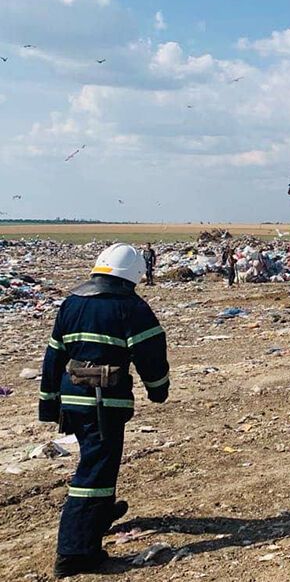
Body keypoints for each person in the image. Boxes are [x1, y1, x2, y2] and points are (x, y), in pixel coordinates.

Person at [38, 243, 170, 578]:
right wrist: (158, 391)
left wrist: (48, 403)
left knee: (98, 461)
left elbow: (54, 356)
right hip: (103, 402)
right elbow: (151, 355)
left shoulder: (71, 303)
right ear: (133, 276)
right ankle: (76, 553)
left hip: (73, 399)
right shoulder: (130, 307)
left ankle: (99, 516)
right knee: (94, 471)